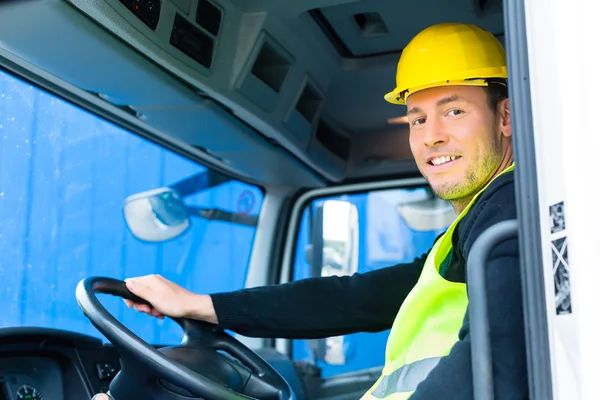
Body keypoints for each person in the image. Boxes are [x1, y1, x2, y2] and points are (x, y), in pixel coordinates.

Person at [92, 22, 527, 400]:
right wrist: (201, 305)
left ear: (506, 117)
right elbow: (355, 299)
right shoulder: (469, 235)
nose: (431, 136)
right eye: (417, 119)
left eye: (453, 110)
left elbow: (497, 367)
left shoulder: (507, 211)